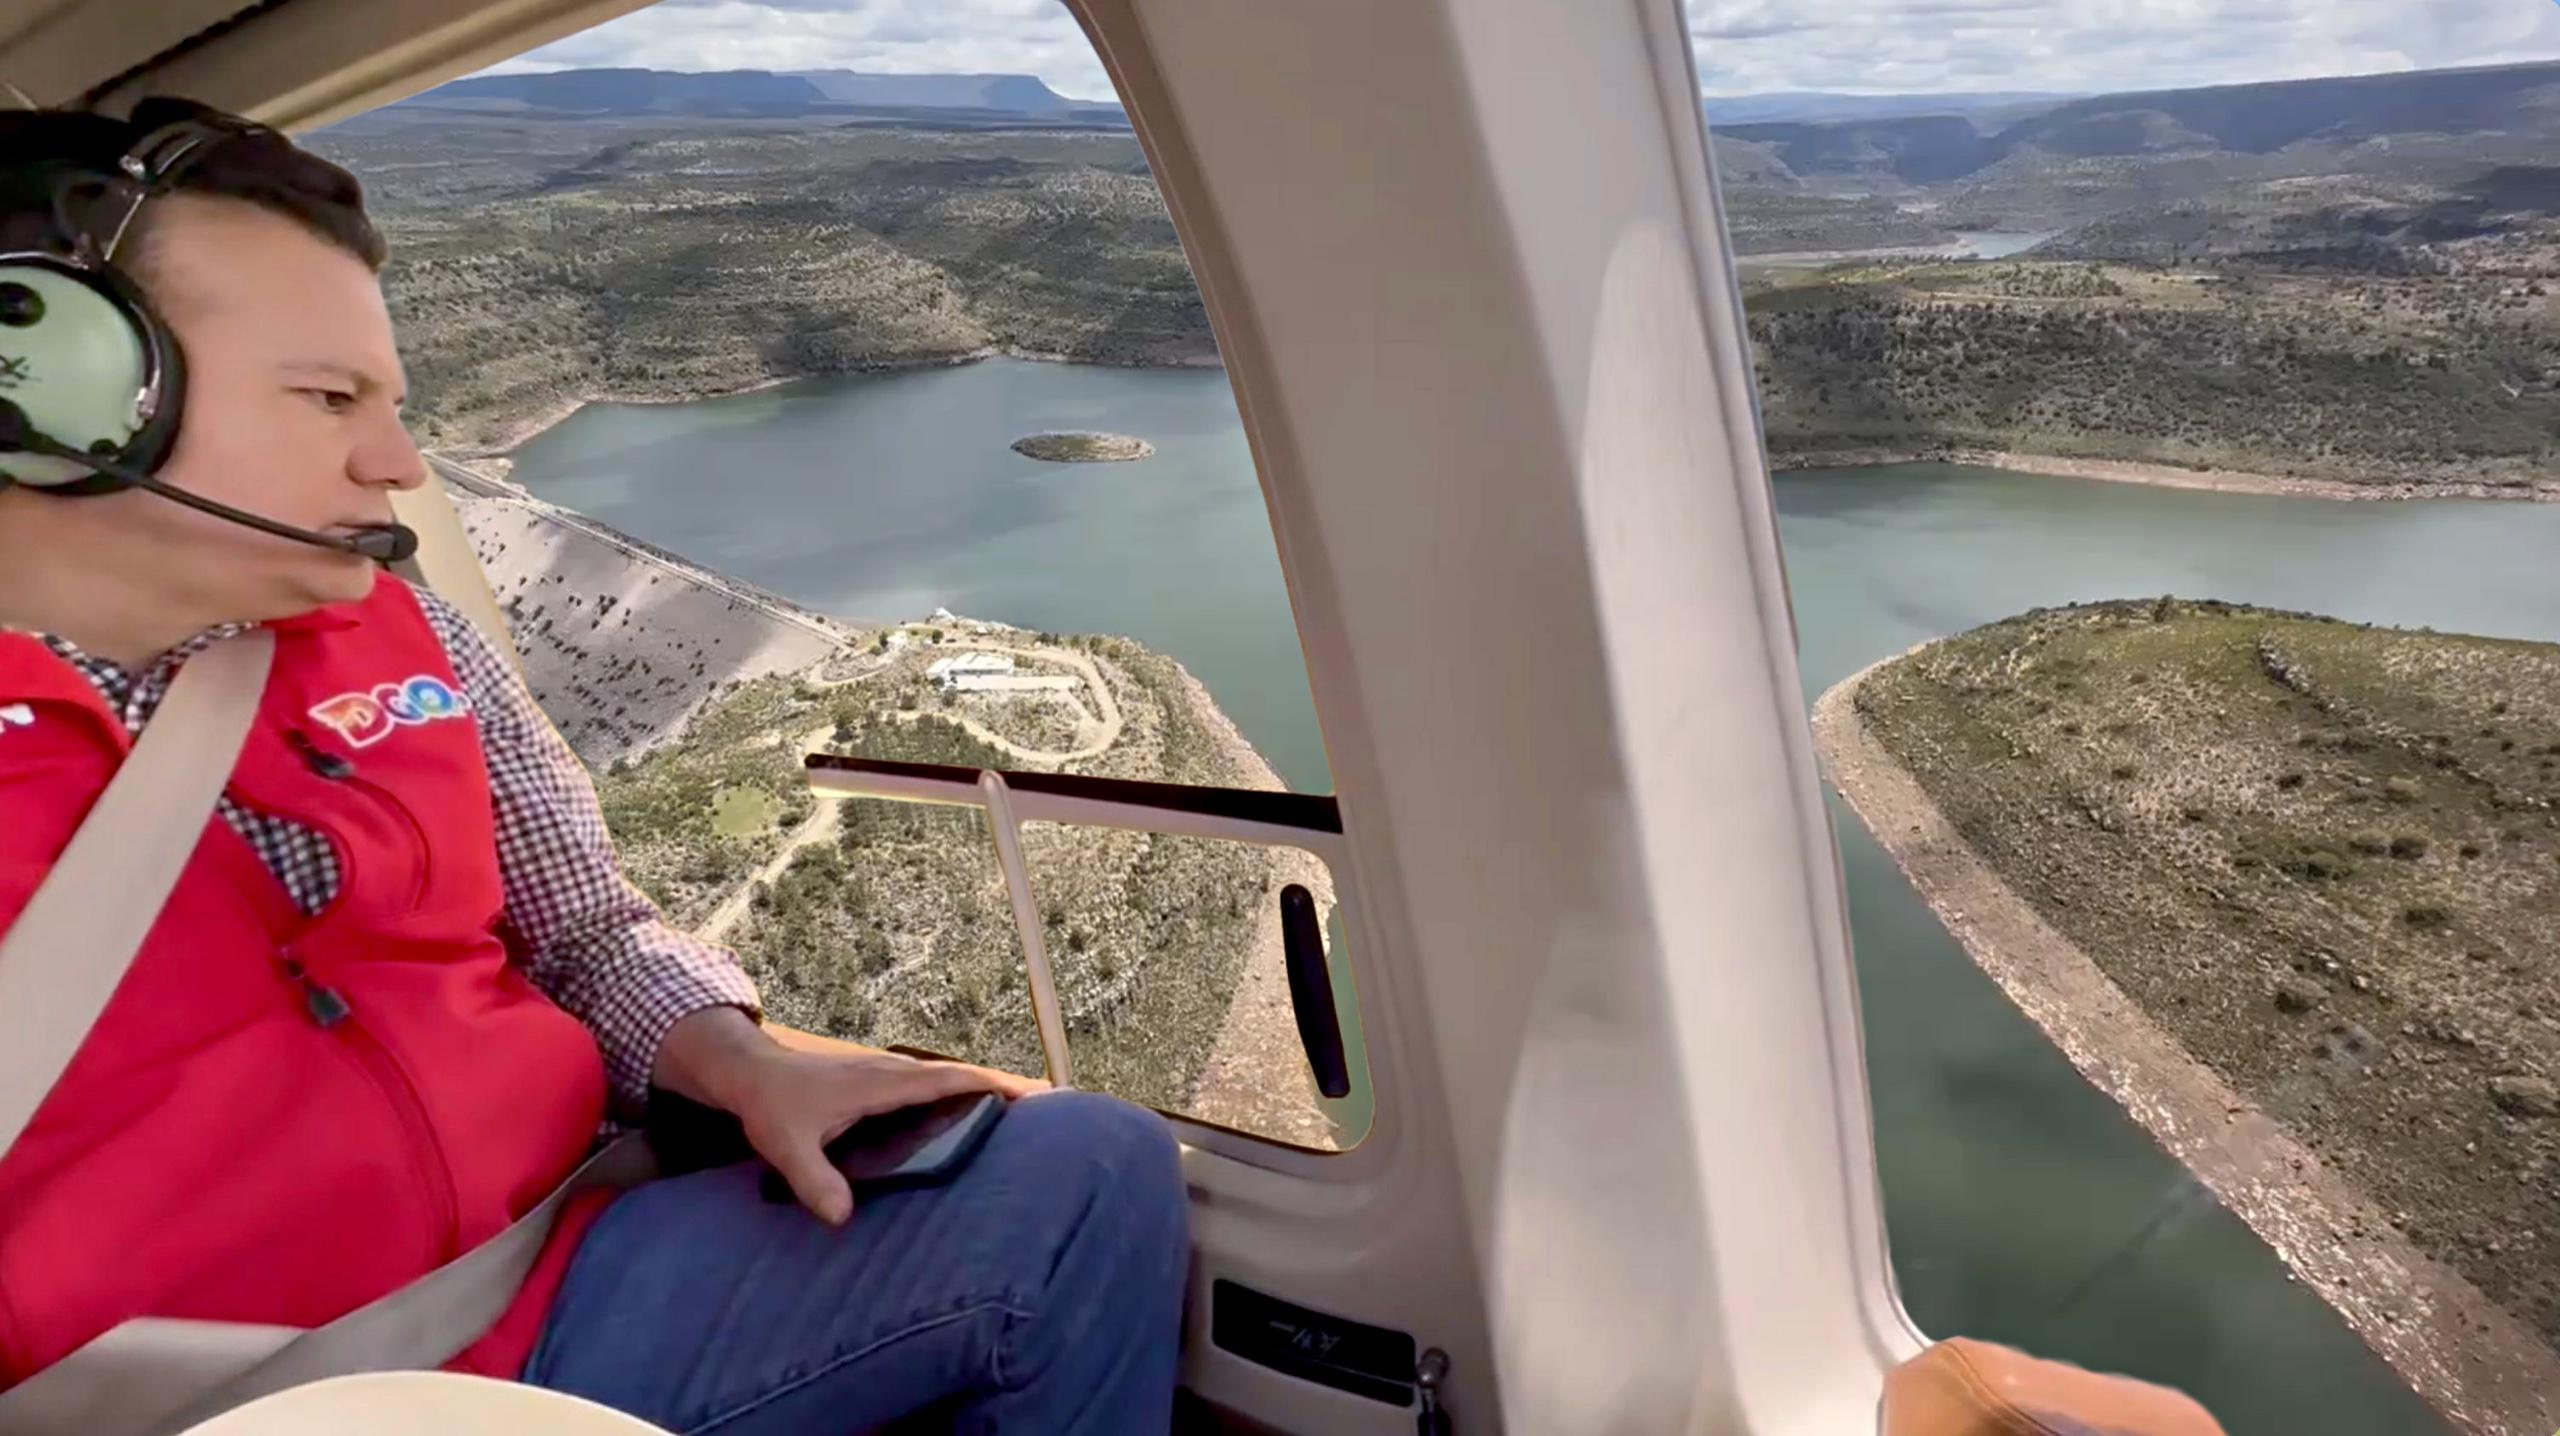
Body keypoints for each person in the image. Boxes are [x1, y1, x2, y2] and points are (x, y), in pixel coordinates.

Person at [0, 97, 1188, 1434]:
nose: (396, 464)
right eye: (328, 397)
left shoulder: (411, 628)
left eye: (391, 403)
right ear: (55, 392)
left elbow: (589, 936)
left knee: (1090, 1170)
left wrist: (747, 1065)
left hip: (565, 1276)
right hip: (200, 1405)